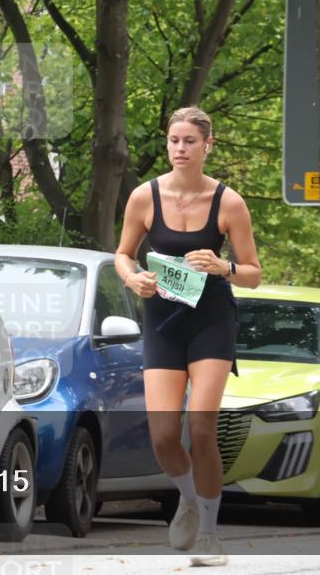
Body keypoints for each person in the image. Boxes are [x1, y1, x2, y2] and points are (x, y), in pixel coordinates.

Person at [115, 106, 261, 567]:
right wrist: (131, 277)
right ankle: (189, 501)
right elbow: (121, 253)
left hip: (211, 319)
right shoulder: (144, 196)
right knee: (162, 436)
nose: (180, 149)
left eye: (190, 141)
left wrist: (226, 268)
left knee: (200, 427)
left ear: (207, 146)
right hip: (161, 320)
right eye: (174, 140)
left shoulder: (229, 203)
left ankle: (212, 535)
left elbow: (254, 273)